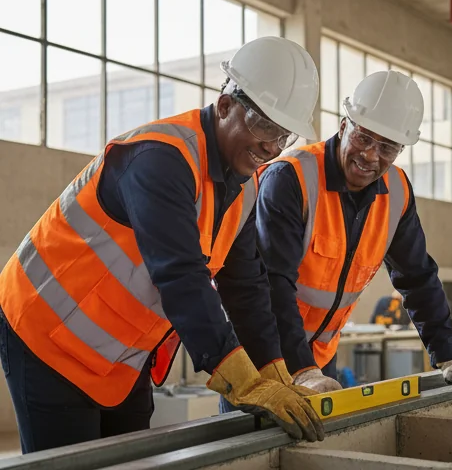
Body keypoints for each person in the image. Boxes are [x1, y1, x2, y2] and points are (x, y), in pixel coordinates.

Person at [0, 38, 326, 453]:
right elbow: (180, 276)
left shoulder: (245, 186)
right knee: (73, 461)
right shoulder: (161, 158)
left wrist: (275, 375)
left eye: (284, 135)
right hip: (45, 335)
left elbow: (246, 287)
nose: (272, 147)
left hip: (121, 356)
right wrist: (244, 383)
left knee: (134, 458)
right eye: (264, 127)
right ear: (225, 105)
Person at [256, 70, 452, 396]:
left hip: (318, 360)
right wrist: (301, 371)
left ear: (400, 149)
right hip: (262, 356)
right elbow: (272, 283)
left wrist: (449, 357)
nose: (371, 155)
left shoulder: (397, 193)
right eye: (364, 137)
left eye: (387, 147)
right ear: (344, 126)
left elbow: (418, 278)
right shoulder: (291, 180)